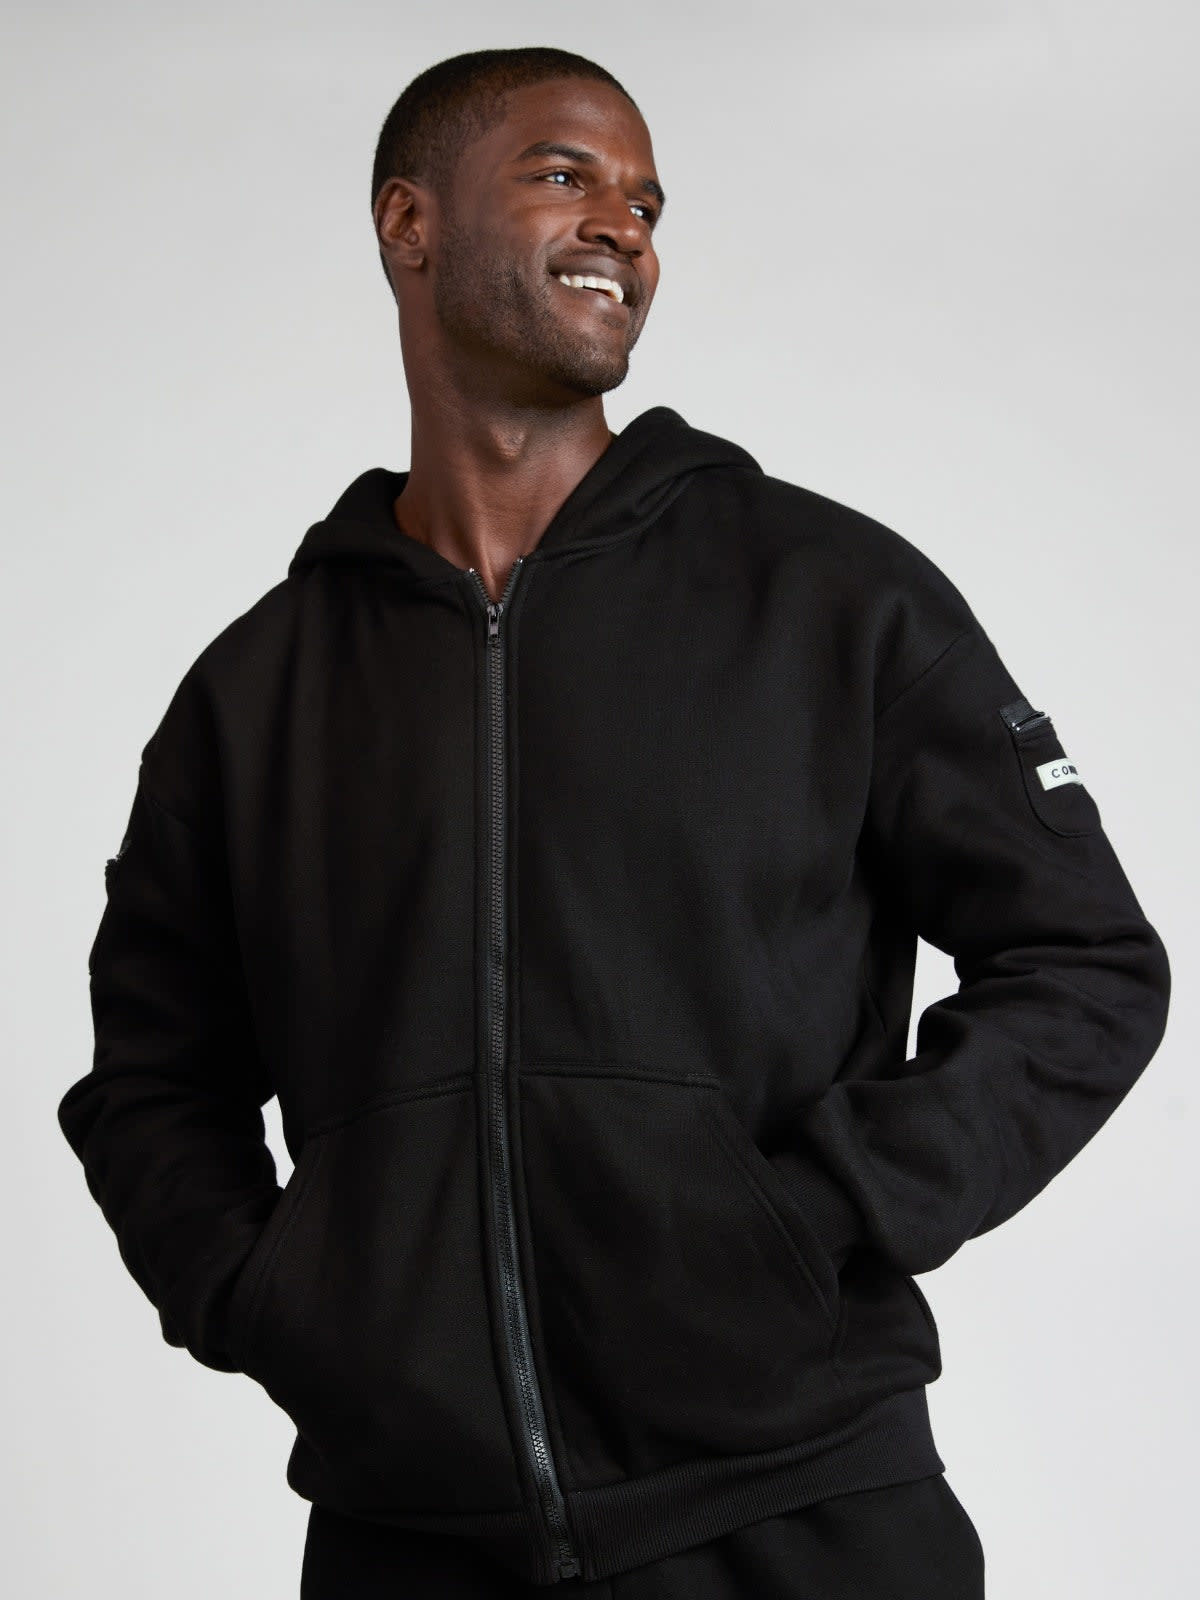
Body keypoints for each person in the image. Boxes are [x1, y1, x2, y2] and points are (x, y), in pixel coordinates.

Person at [57, 45, 1170, 1600]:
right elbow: (150, 1079)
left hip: (802, 1524)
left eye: (646, 202)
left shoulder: (826, 598)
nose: (623, 228)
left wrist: (816, 1216)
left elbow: (1087, 961)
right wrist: (276, 1299)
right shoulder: (258, 695)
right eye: (564, 174)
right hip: (409, 1545)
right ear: (409, 222)